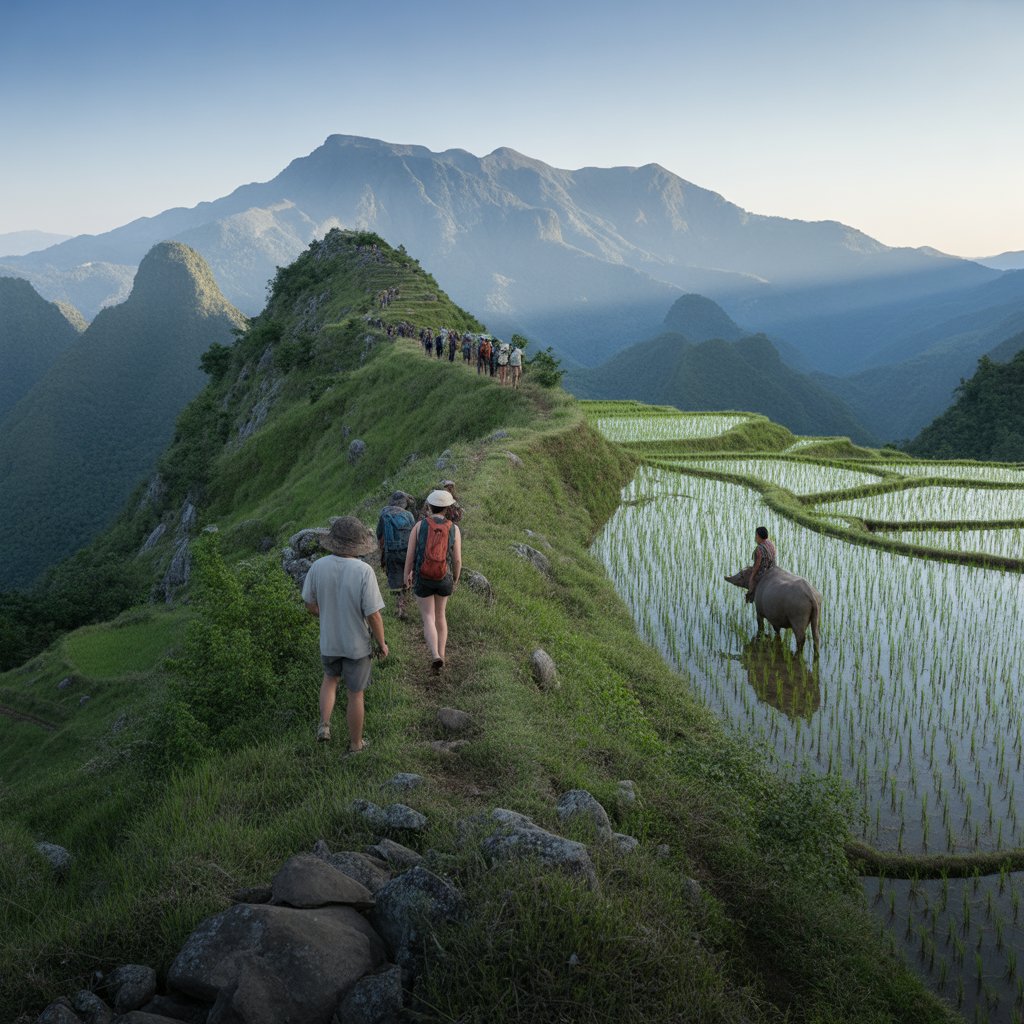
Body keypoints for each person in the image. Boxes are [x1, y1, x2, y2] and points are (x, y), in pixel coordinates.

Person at [301, 516, 387, 753]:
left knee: (330, 680)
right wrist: (381, 643)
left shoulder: (319, 566)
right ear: (358, 545)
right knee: (355, 694)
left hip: (329, 641)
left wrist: (327, 613)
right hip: (356, 645)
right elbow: (373, 615)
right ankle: (356, 744)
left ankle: (324, 724)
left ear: (334, 541)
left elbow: (309, 604)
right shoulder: (363, 571)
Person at [404, 489, 462, 674]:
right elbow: (458, 559)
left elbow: (410, 555)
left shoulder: (419, 527)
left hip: (423, 577)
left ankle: (435, 654)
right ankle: (442, 655)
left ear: (429, 506)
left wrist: (407, 575)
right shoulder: (454, 528)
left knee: (428, 617)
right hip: (444, 577)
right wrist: (456, 578)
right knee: (440, 615)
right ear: (447, 508)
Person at [376, 492, 416, 619]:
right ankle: (406, 607)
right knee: (407, 576)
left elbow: (379, 534)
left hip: (391, 552)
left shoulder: (384, 514)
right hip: (407, 552)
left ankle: (397, 608)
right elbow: (414, 534)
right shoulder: (408, 515)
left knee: (394, 579)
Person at [746, 526, 777, 602]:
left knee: (751, 580)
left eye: (756, 535)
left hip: (765, 572)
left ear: (759, 536)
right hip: (774, 569)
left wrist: (752, 577)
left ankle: (751, 596)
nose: (755, 537)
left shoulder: (759, 548)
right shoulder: (770, 542)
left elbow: (757, 565)